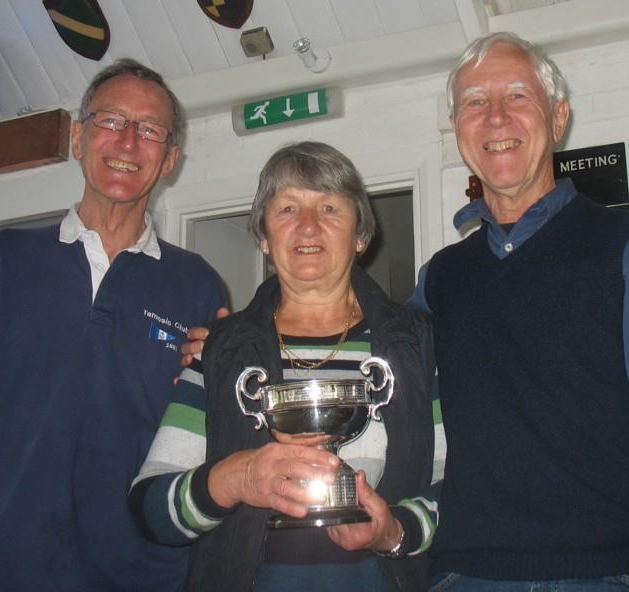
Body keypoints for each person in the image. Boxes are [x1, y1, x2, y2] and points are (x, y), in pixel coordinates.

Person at [129, 141, 437, 591]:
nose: (308, 226)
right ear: (264, 237)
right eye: (288, 209)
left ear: (361, 234)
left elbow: (458, 487)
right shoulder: (221, 351)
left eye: (330, 208)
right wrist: (233, 480)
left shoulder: (416, 344)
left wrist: (394, 531)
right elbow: (149, 507)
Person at [0, 59, 225, 591]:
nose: (126, 143)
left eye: (148, 130)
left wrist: (222, 371)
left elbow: (202, 432)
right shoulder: (3, 261)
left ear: (169, 160)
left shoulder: (198, 287)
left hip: (142, 573)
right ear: (78, 138)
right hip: (6, 563)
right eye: (111, 121)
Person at [408, 32, 629, 590]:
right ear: (458, 129)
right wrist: (242, 344)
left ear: (558, 119)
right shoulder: (439, 277)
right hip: (466, 573)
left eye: (517, 97)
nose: (496, 118)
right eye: (475, 103)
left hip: (601, 571)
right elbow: (372, 366)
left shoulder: (620, 245)